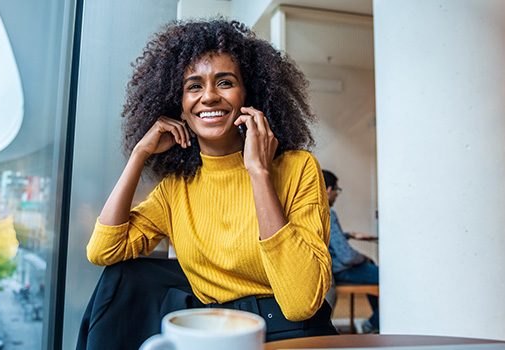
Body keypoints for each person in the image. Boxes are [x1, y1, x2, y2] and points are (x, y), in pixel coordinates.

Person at [84, 19, 337, 347]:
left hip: (292, 332)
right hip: (215, 333)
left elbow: (300, 301)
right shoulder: (176, 189)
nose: (209, 97)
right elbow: (103, 251)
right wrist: (138, 155)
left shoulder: (298, 168)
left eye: (225, 82)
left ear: (250, 93)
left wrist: (259, 173)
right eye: (194, 86)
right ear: (180, 105)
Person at [322, 169, 380, 333]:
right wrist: (364, 258)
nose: (337, 195)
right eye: (337, 190)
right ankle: (372, 324)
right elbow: (347, 257)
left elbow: (328, 240)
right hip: (341, 271)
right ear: (328, 190)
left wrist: (349, 235)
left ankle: (374, 324)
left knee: (374, 272)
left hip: (331, 269)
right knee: (391, 279)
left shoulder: (313, 211)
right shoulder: (329, 213)